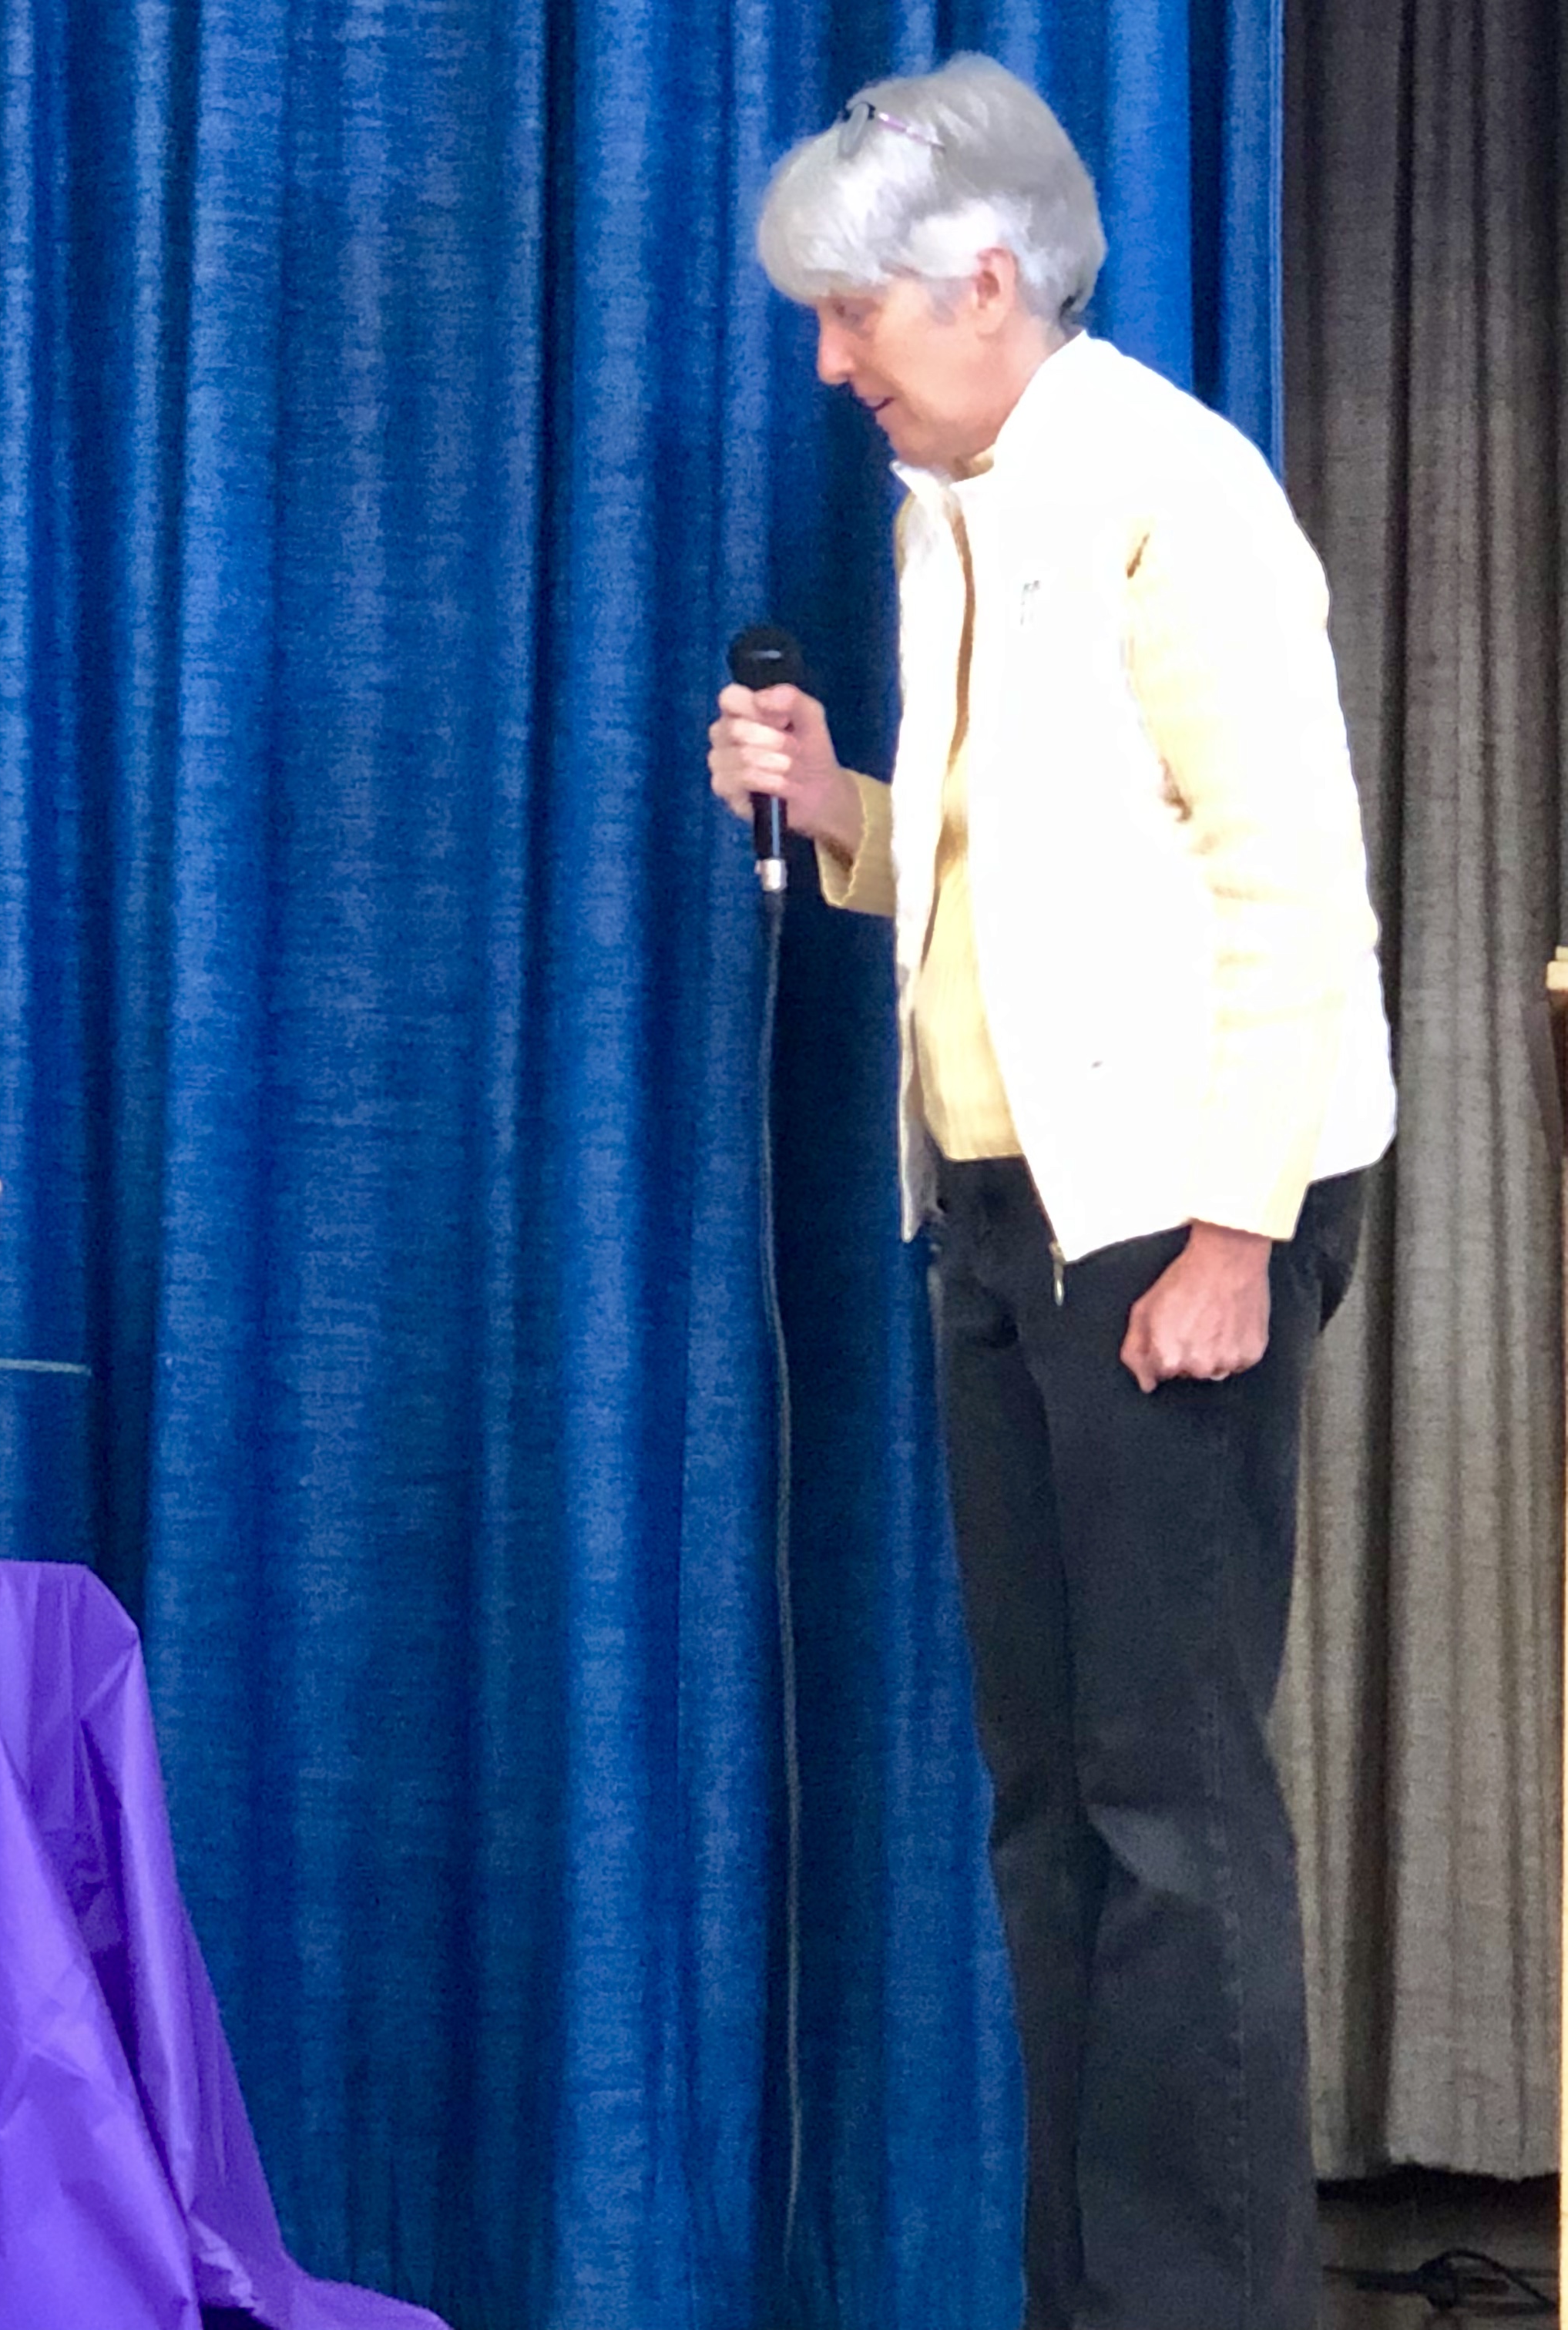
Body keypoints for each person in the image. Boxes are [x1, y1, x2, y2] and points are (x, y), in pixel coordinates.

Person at [704, 56, 1392, 2330]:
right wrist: (837, 810)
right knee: (1049, 1806)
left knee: (1172, 1817)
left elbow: (1297, 896)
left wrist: (1231, 1238)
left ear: (984, 284)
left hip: (1178, 1216)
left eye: (852, 318)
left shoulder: (1174, 495)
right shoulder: (959, 507)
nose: (829, 362)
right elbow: (1043, 887)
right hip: (1003, 1212)